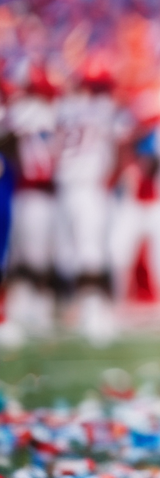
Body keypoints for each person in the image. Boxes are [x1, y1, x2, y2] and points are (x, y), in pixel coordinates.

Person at [53, 61, 127, 345]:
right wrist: (111, 179)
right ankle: (92, 314)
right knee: (91, 254)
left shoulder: (67, 108)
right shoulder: (107, 110)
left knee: (72, 253)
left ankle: (82, 310)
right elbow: (121, 146)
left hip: (65, 186)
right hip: (89, 188)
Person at [3, 69, 60, 341]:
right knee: (30, 255)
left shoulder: (24, 111)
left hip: (28, 190)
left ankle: (32, 306)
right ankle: (32, 306)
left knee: (25, 255)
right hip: (37, 191)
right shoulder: (51, 112)